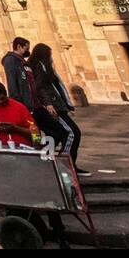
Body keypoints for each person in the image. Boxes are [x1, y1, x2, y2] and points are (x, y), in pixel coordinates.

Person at [29, 43, 88, 175]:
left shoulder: (45, 68)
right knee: (72, 133)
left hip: (58, 106)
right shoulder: (39, 67)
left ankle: (66, 163)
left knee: (61, 134)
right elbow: (40, 87)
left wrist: (66, 105)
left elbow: (55, 88)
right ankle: (65, 164)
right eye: (49, 55)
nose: (51, 58)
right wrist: (49, 104)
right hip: (53, 108)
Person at [0, 80, 35, 146]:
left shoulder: (19, 107)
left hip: (21, 147)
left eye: (2, 98)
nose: (0, 102)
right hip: (0, 148)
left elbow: (35, 133)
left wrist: (16, 129)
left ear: (6, 94)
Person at [1, 37, 36, 109]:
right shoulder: (10, 60)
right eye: (26, 48)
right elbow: (12, 81)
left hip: (33, 102)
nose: (28, 51)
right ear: (19, 46)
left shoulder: (23, 62)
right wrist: (17, 102)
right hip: (24, 103)